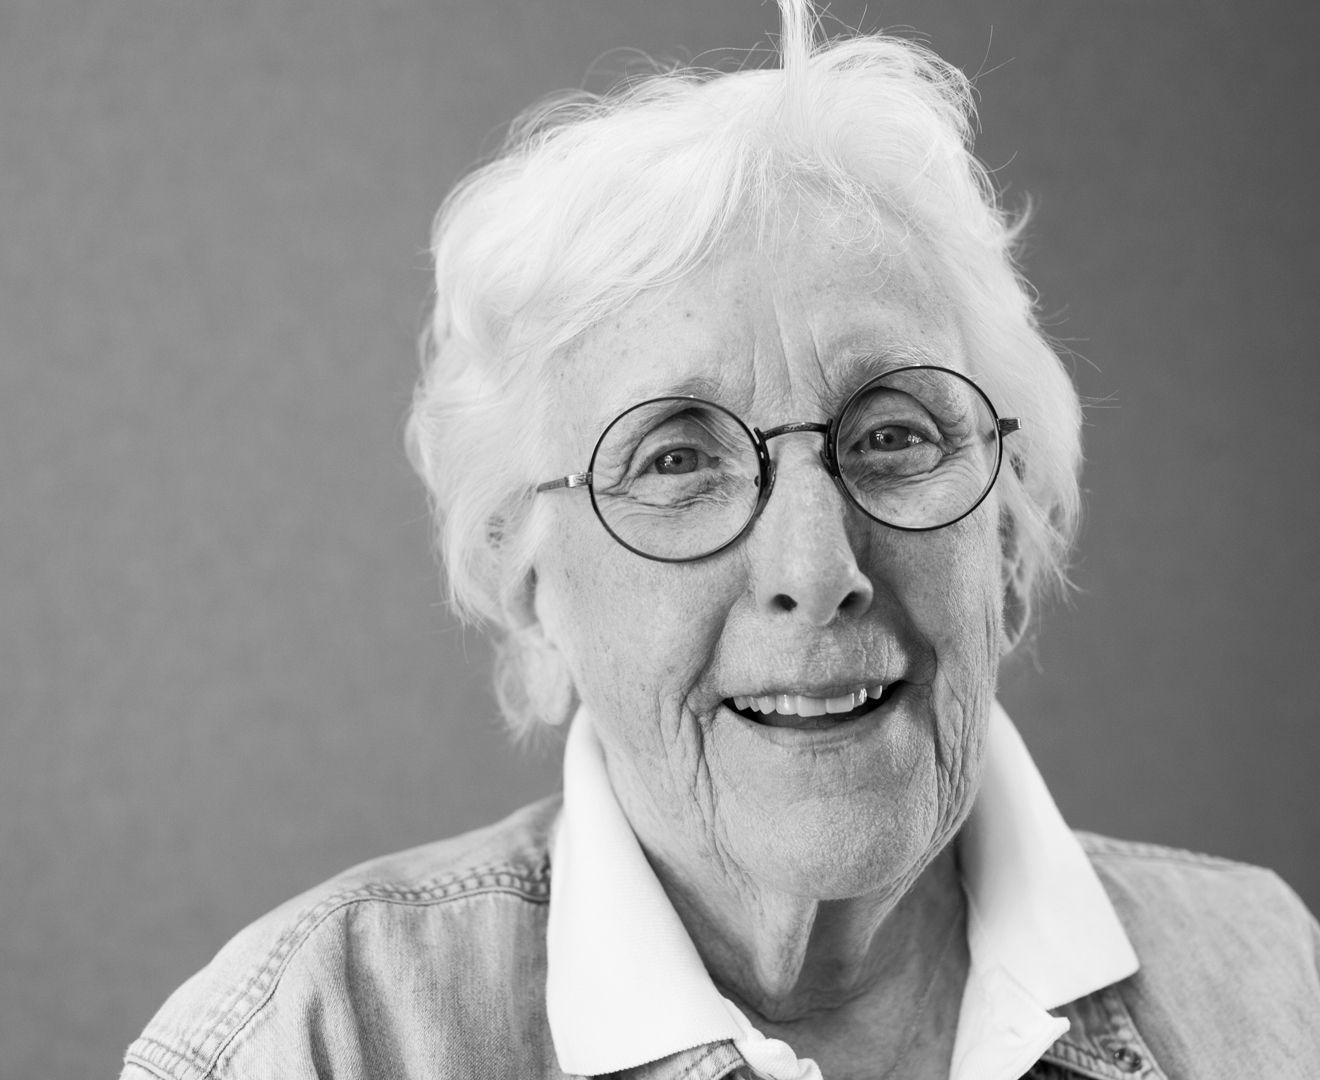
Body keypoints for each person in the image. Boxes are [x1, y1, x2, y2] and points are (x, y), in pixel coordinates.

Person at [121, 2, 1320, 1078]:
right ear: (529, 589)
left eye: (893, 436)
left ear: (1011, 539)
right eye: (676, 461)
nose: (816, 571)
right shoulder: (309, 1046)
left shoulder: (1277, 984)